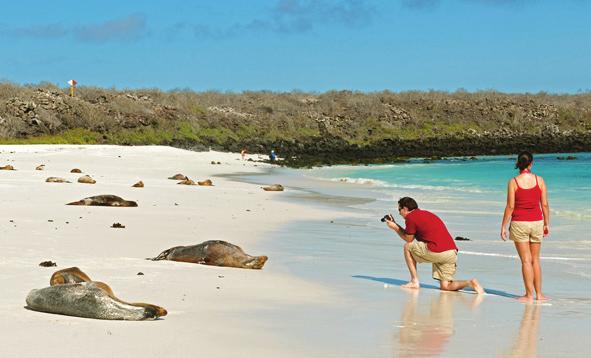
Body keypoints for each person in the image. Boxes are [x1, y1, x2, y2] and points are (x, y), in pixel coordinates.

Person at [385, 197, 484, 294]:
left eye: (399, 209)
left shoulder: (411, 217)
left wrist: (395, 228)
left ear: (405, 209)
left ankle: (414, 281)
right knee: (446, 286)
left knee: (407, 247)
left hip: (437, 250)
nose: (399, 213)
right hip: (451, 252)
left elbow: (409, 239)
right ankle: (470, 282)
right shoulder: (426, 214)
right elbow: (410, 234)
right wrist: (396, 225)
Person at [500, 151, 549, 302]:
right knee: (536, 260)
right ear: (531, 163)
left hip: (520, 223)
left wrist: (503, 226)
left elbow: (510, 206)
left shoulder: (513, 182)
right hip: (536, 222)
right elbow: (545, 204)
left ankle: (529, 295)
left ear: (518, 163)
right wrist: (547, 223)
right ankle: (539, 294)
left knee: (526, 260)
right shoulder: (539, 180)